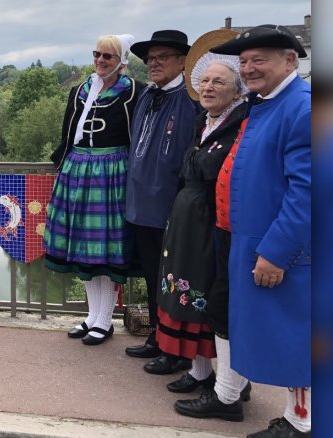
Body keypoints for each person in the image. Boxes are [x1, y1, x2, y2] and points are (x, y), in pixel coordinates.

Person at [147, 30, 254, 422]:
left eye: (219, 82)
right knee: (186, 291)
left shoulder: (240, 125)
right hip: (187, 222)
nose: (208, 87)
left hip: (212, 224)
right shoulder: (206, 122)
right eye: (205, 81)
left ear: (237, 90)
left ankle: (226, 384)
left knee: (208, 296)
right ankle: (200, 370)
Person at [210, 25, 311, 437]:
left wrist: (275, 251)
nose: (248, 68)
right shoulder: (264, 103)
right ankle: (296, 417)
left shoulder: (302, 108)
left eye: (259, 60)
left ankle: (302, 423)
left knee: (298, 336)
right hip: (252, 241)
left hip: (287, 251)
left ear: (290, 61)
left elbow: (309, 192)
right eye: (244, 61)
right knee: (281, 335)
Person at [44, 34, 140, 345]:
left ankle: (105, 320)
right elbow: (67, 135)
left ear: (121, 61)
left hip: (111, 175)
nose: (100, 60)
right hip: (78, 172)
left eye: (108, 57)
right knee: (84, 248)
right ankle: (91, 316)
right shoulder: (79, 92)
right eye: (97, 54)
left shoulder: (134, 93)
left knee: (103, 250)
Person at [124, 30, 199, 375]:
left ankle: (178, 350)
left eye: (162, 57)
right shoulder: (146, 96)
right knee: (153, 277)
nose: (154, 63)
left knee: (175, 280)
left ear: (183, 61)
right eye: (150, 58)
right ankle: (157, 336)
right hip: (141, 204)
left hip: (171, 206)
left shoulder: (191, 100)